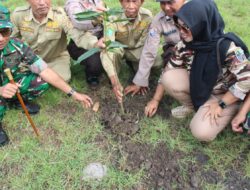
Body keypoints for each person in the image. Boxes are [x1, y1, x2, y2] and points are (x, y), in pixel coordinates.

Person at [145, 0, 250, 142]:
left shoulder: (227, 49)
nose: (181, 33)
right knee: (168, 78)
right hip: (204, 89)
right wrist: (155, 99)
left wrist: (222, 104)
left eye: (186, 28)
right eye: (178, 26)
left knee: (201, 132)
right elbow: (168, 69)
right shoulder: (185, 45)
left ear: (202, 25)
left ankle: (232, 110)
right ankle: (195, 106)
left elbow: (247, 80)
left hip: (227, 95)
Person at [0, 6, 93, 147]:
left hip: (8, 81)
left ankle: (15, 102)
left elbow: (44, 70)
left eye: (4, 32)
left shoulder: (16, 46)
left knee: (41, 81)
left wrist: (74, 93)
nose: (1, 38)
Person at [11, 0, 102, 82]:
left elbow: (78, 34)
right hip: (30, 58)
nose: (42, 3)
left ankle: (36, 78)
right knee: (11, 76)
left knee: (63, 79)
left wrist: (95, 43)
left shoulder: (60, 15)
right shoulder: (19, 15)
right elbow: (10, 39)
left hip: (55, 58)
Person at [125, 0, 184, 96]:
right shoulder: (159, 20)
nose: (166, 7)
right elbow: (149, 50)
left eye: (170, 2)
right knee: (171, 57)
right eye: (163, 3)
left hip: (198, 47)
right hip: (174, 47)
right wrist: (140, 81)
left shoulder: (197, 11)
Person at [100, 0, 152, 103]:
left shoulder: (147, 17)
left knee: (157, 62)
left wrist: (141, 79)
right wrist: (115, 82)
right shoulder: (112, 18)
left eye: (135, 1)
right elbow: (108, 47)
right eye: (127, 1)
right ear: (121, 2)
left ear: (141, 2)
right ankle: (114, 79)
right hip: (120, 49)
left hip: (136, 49)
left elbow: (147, 45)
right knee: (110, 53)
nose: (131, 6)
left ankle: (134, 65)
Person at [65, 0, 106, 86]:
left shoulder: (96, 1)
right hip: (80, 41)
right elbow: (78, 21)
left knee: (110, 52)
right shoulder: (72, 3)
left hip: (100, 37)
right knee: (95, 61)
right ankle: (92, 75)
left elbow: (105, 16)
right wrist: (95, 20)